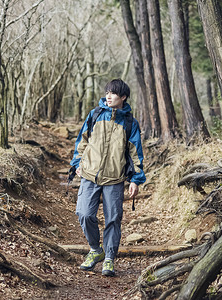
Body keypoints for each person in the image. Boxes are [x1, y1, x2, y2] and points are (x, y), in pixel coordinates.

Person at [70, 78, 146, 276]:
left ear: (123, 97)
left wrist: (136, 180)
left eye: (113, 93)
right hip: (89, 174)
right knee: (84, 213)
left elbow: (135, 152)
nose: (109, 96)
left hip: (114, 178)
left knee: (113, 219)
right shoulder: (95, 115)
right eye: (107, 92)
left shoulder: (130, 123)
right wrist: (77, 163)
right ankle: (96, 250)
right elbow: (82, 140)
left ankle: (109, 259)